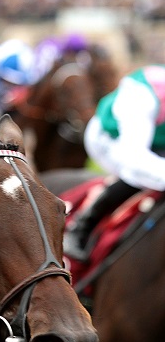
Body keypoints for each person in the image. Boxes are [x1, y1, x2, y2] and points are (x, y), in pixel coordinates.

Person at [63, 64, 165, 261]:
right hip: (109, 138)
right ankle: (81, 226)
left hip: (155, 138)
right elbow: (134, 157)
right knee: (137, 176)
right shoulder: (142, 96)